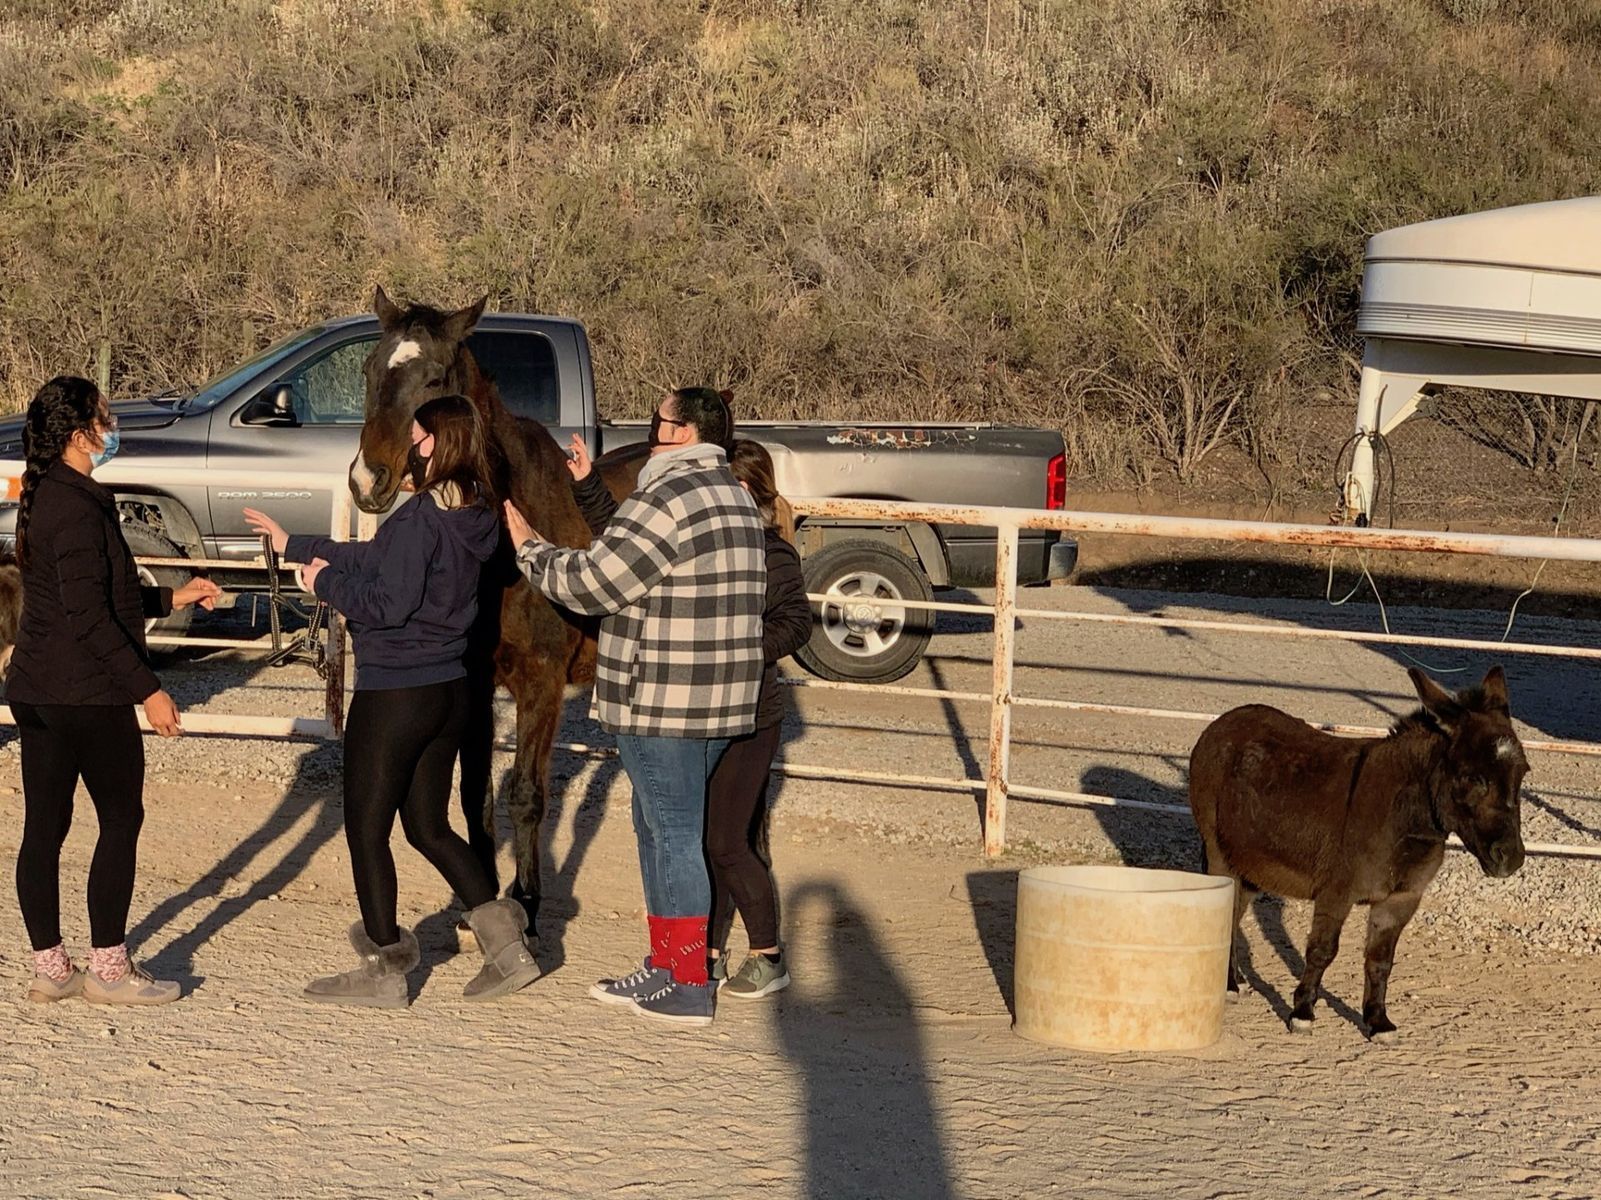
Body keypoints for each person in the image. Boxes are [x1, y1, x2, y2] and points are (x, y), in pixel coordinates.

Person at [244, 395, 539, 1008]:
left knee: (366, 828)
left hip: (396, 691)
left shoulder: (421, 518)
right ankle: (509, 952)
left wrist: (319, 582)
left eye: (415, 431)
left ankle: (384, 965)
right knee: (429, 826)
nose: (407, 439)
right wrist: (297, 543)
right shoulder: (475, 511)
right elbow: (378, 560)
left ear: (435, 442)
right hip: (449, 691)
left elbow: (386, 601)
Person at [504, 386, 765, 1026]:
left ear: (681, 432)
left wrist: (531, 552)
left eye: (660, 419)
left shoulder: (665, 497)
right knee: (664, 831)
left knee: (670, 835)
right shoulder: (731, 494)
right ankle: (665, 965)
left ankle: (686, 981)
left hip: (660, 699)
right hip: (719, 697)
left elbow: (596, 582)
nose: (652, 429)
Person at [565, 432, 810, 999]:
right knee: (693, 835)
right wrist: (587, 486)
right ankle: (703, 955)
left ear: (743, 488)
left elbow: (797, 623)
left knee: (724, 839)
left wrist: (733, 644)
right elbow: (628, 545)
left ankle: (766, 954)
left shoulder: (770, 553)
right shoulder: (705, 542)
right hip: (706, 709)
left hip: (750, 714)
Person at [8, 375, 221, 1005]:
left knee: (44, 827)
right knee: (120, 819)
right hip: (84, 692)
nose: (112, 426)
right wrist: (148, 690)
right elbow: (91, 617)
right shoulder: (74, 505)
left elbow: (102, 596)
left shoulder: (50, 493)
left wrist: (175, 595)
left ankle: (52, 969)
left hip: (41, 687)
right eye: (105, 417)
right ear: (79, 435)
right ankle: (109, 969)